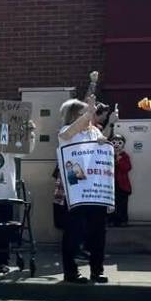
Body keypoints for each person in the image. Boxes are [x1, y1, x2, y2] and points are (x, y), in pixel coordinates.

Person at [58, 98, 112, 284]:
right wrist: (89, 112)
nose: (89, 117)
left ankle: (97, 270)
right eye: (83, 114)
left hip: (95, 189)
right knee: (74, 231)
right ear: (74, 116)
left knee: (98, 232)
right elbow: (69, 134)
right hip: (77, 190)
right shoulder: (66, 132)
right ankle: (71, 272)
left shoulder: (94, 131)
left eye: (89, 113)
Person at [110, 135, 132, 227]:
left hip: (122, 185)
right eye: (114, 142)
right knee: (112, 204)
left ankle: (123, 220)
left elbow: (127, 168)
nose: (116, 145)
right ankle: (112, 220)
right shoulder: (108, 154)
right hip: (111, 184)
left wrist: (119, 161)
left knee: (122, 204)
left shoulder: (125, 156)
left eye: (119, 143)